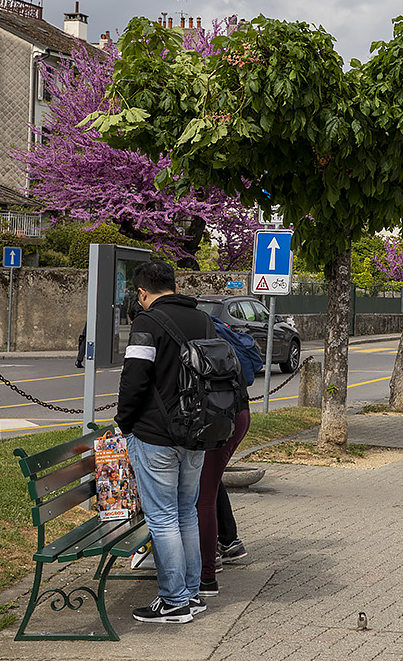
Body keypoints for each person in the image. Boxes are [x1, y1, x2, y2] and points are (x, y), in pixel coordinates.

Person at [117, 260, 209, 624]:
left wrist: (124, 422)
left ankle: (173, 601)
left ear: (142, 292)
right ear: (173, 284)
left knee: (163, 517)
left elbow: (135, 379)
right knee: (187, 511)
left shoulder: (146, 323)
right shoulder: (202, 319)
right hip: (197, 433)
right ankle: (191, 594)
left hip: (156, 434)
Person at [195, 316, 253, 597]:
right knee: (210, 482)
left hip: (219, 420)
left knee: (203, 493)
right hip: (235, 414)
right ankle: (228, 542)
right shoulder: (213, 331)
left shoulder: (190, 335)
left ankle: (207, 570)